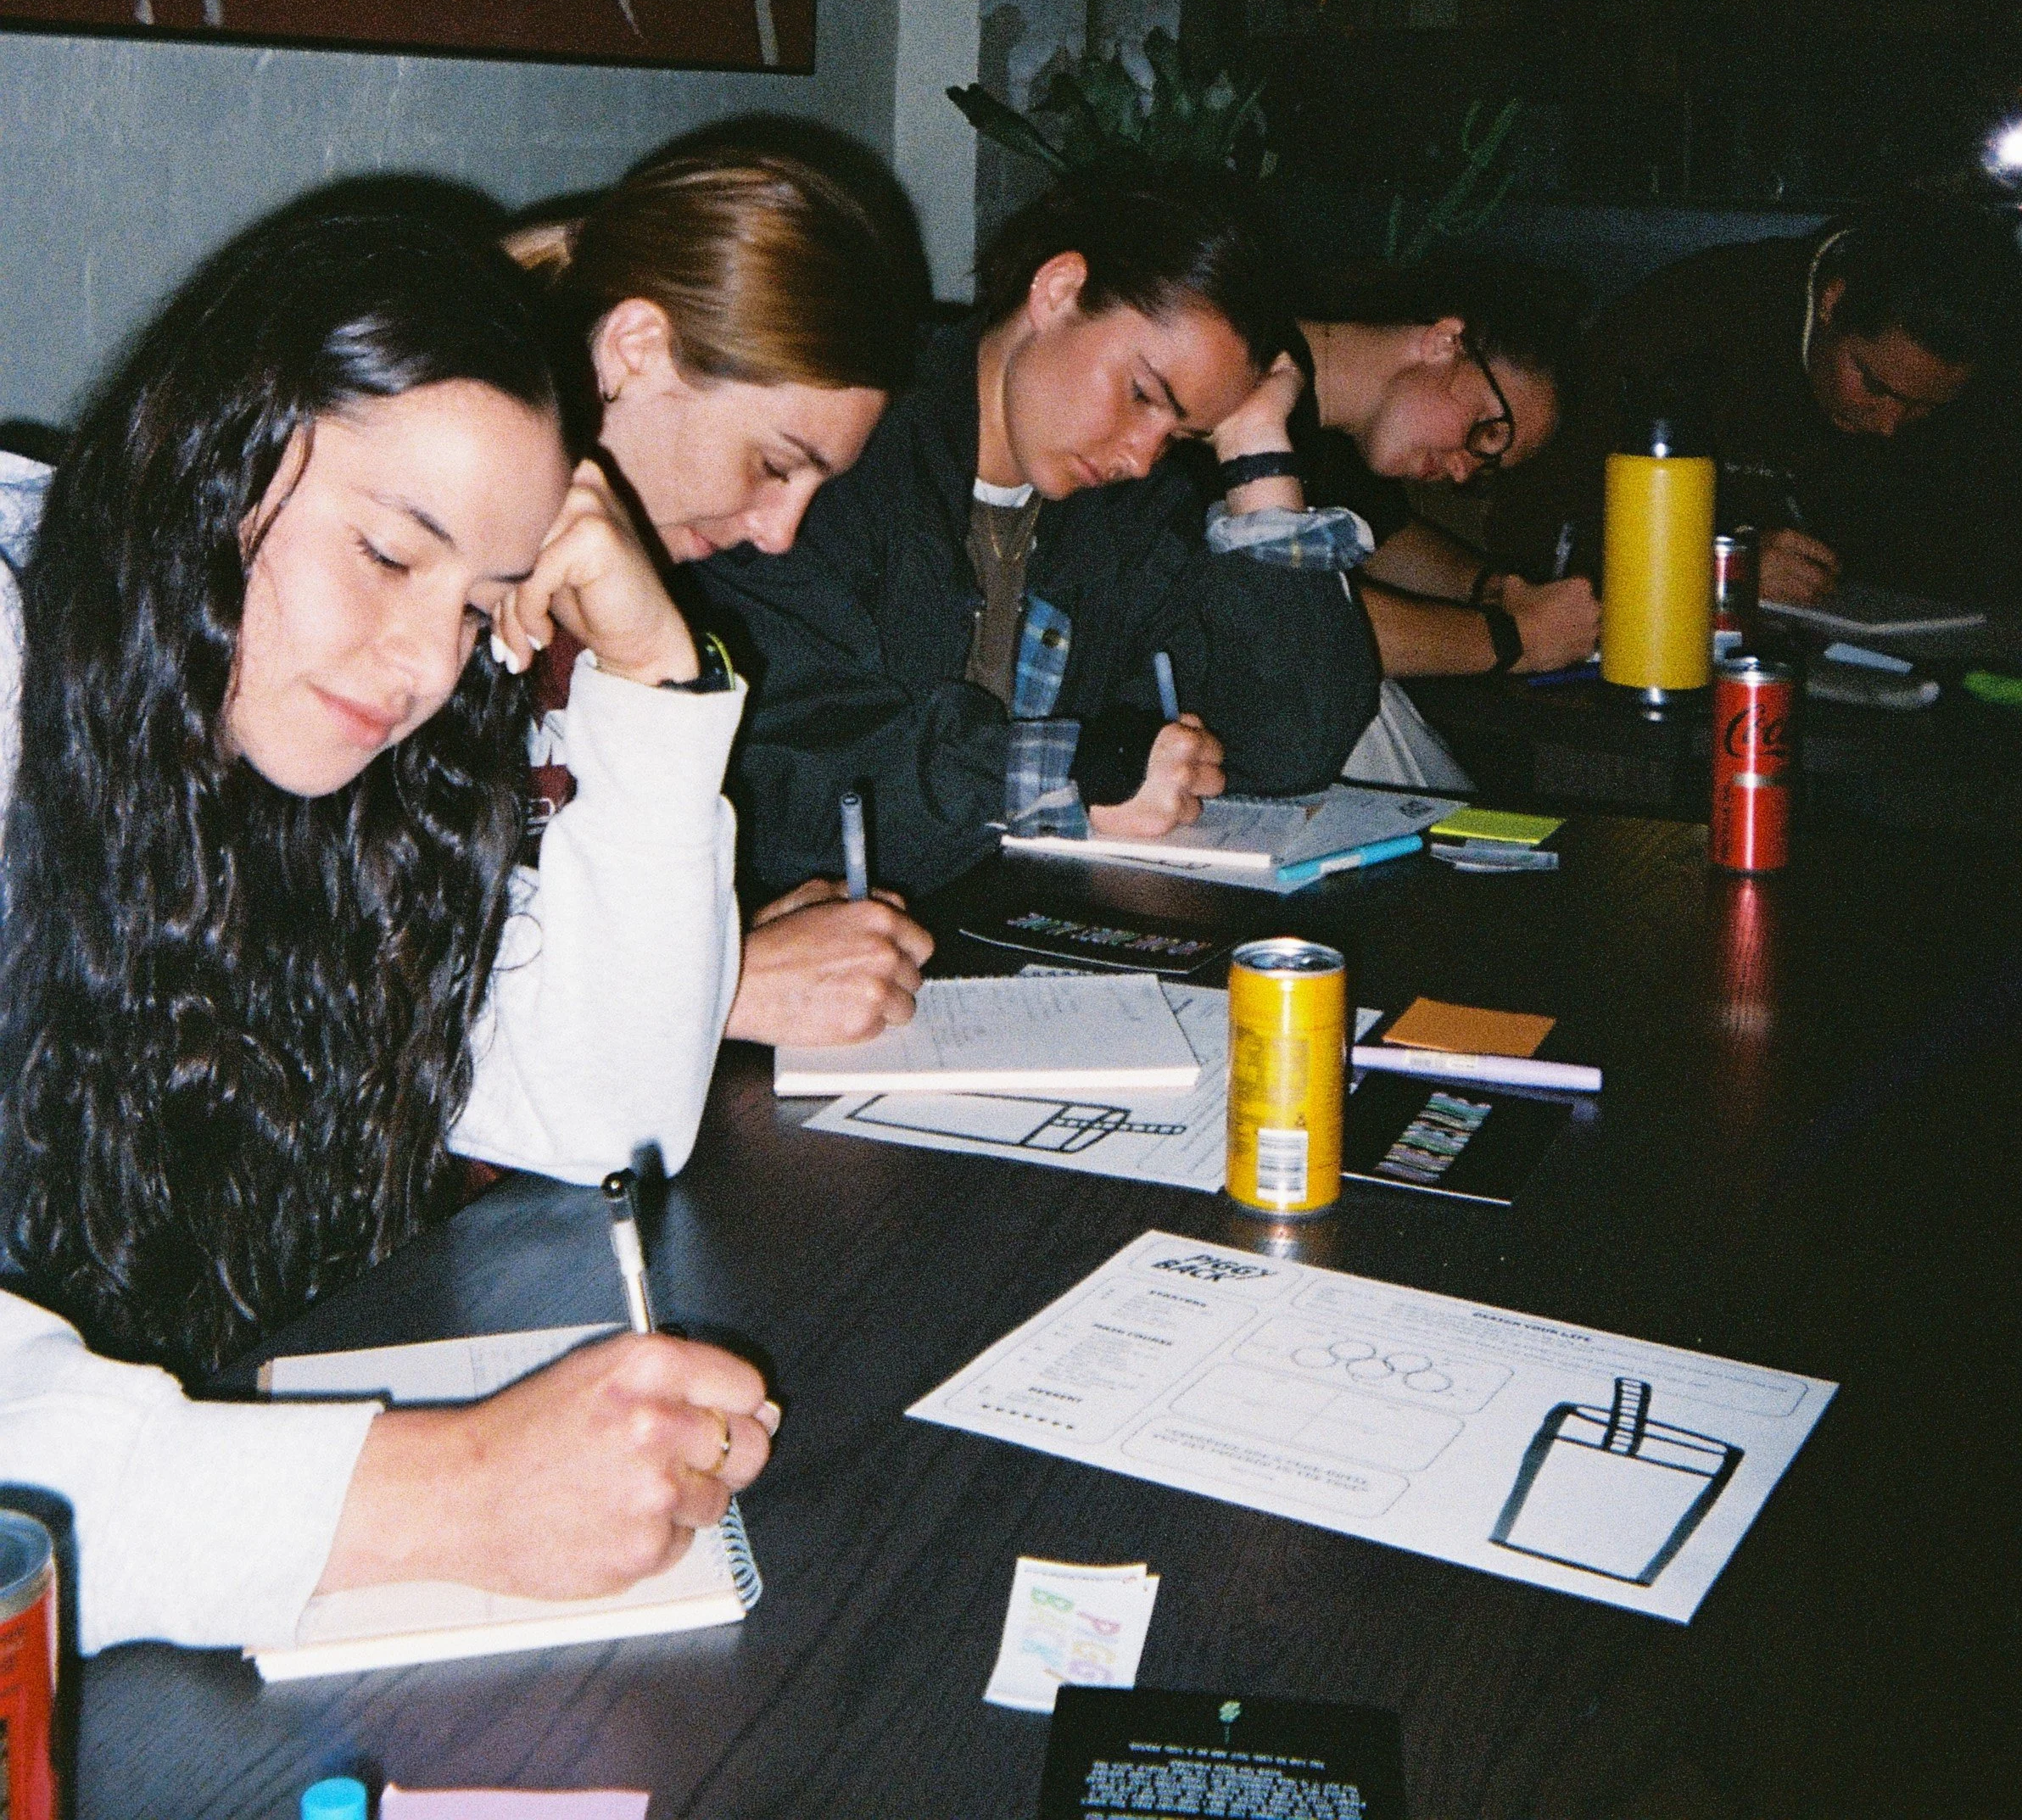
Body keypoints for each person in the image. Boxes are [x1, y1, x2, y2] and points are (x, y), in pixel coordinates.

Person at [0, 197, 774, 1655]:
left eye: (486, 603)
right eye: (387, 553)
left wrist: (656, 670)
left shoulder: (330, 761)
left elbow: (598, 1124)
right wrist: (453, 1491)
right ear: (210, 453)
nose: (427, 664)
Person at [707, 169, 1385, 897]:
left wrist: (1258, 460)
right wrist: (1073, 767)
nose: (1142, 453)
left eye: (1184, 433)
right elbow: (782, 793)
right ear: (1058, 292)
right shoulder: (833, 455)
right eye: (1142, 394)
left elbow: (1293, 745)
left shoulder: (1129, 513)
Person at [505, 128, 936, 1043]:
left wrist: (712, 943)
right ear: (634, 349)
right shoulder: (427, 569)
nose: (778, 536)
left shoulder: (601, 575)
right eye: (774, 462)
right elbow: (353, 1000)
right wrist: (719, 986)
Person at [1486, 198, 2022, 608]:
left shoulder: (1986, 378)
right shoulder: (1685, 327)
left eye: (1923, 408)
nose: (1888, 425)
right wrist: (1721, 568)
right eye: (1875, 386)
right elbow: (1529, 529)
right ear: (1833, 302)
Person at [1288, 256, 1599, 678]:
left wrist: (1500, 590)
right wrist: (1523, 640)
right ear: (1445, 341)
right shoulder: (1233, 375)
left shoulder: (1326, 433)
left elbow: (1379, 533)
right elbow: (1285, 621)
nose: (1461, 473)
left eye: (1486, 468)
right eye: (1488, 434)